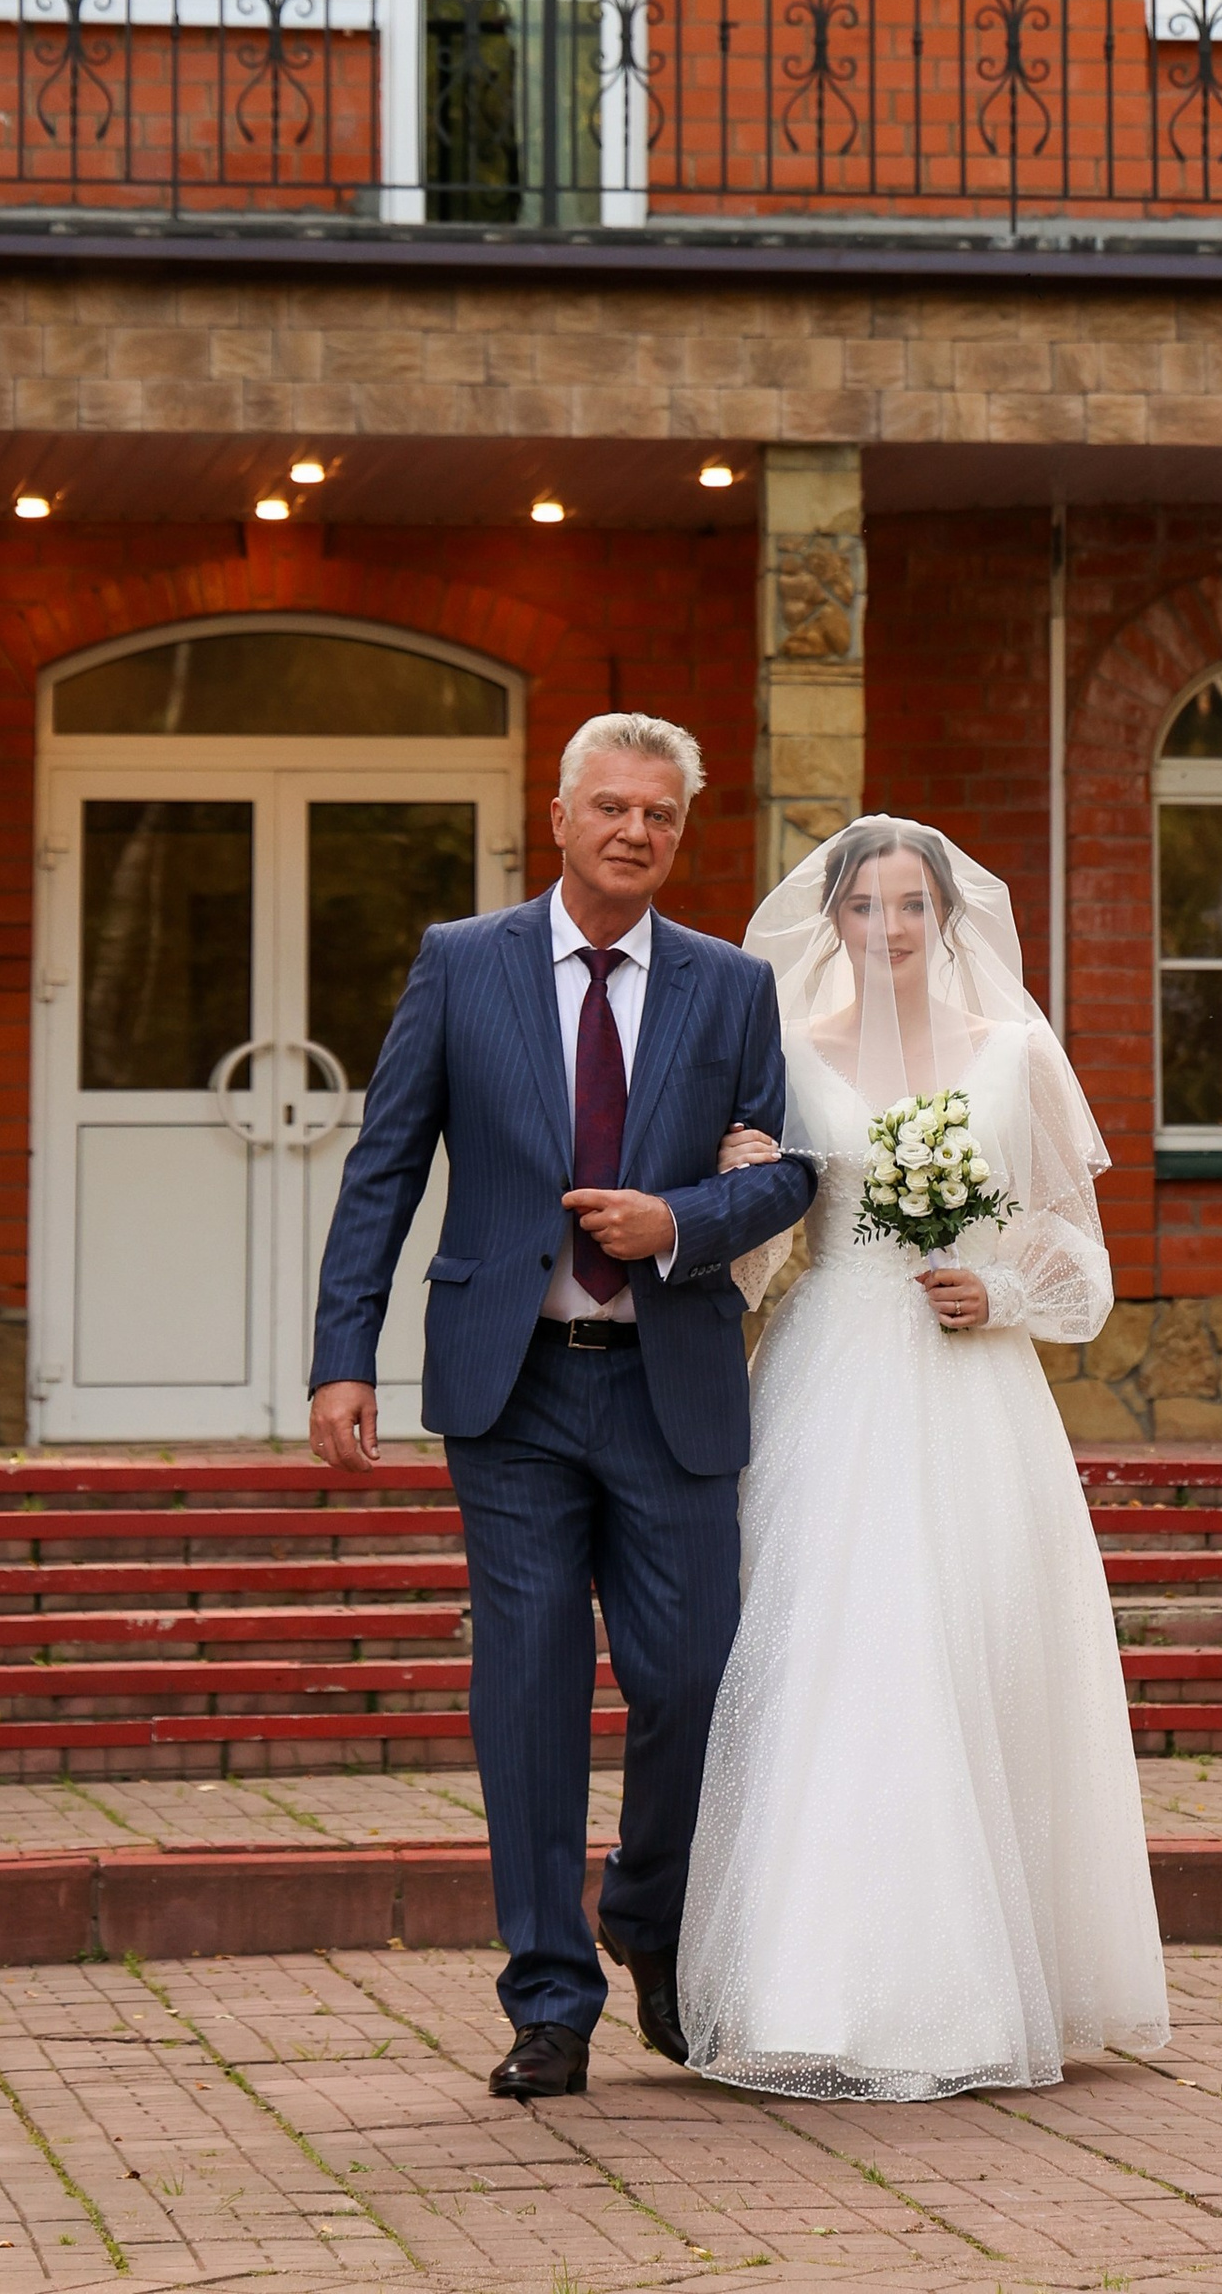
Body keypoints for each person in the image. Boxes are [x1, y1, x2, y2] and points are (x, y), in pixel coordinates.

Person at [306, 712, 816, 2104]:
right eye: (612, 806)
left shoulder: (729, 985)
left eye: (661, 813)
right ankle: (549, 1997)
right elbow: (384, 1166)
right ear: (561, 816)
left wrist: (678, 1220)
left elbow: (786, 1172)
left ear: (679, 832)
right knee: (528, 1695)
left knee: (691, 1680)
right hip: (512, 1385)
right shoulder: (461, 964)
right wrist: (342, 1355)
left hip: (671, 1388)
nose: (635, 831)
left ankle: (646, 1914)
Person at [676, 814, 1170, 2100]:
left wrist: (1000, 1292)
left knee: (970, 1647)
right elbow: (757, 1258)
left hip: (971, 1391)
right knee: (833, 1653)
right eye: (863, 906)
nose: (886, 928)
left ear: (946, 916)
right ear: (831, 919)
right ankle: (816, 1986)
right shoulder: (788, 1053)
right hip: (833, 1376)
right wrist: (739, 1177)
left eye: (910, 905)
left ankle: (984, 1983)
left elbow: (1079, 1250)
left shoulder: (1014, 1052)